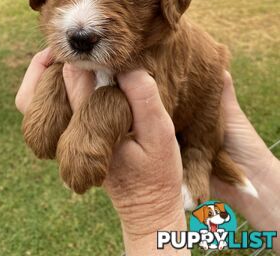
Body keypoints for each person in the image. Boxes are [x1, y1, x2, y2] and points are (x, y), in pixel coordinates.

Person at [15, 49, 280, 256]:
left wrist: (150, 208)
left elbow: (145, 96)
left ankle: (197, 159)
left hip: (194, 114)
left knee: (198, 140)